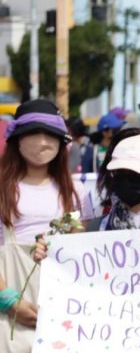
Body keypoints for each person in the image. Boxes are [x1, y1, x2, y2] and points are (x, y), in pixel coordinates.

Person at [0, 99, 85, 352]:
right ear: (17, 138)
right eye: (33, 133)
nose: (43, 142)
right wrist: (9, 300)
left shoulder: (77, 192)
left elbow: (82, 246)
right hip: (7, 315)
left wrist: (57, 240)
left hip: (62, 315)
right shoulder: (3, 190)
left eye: (51, 134)